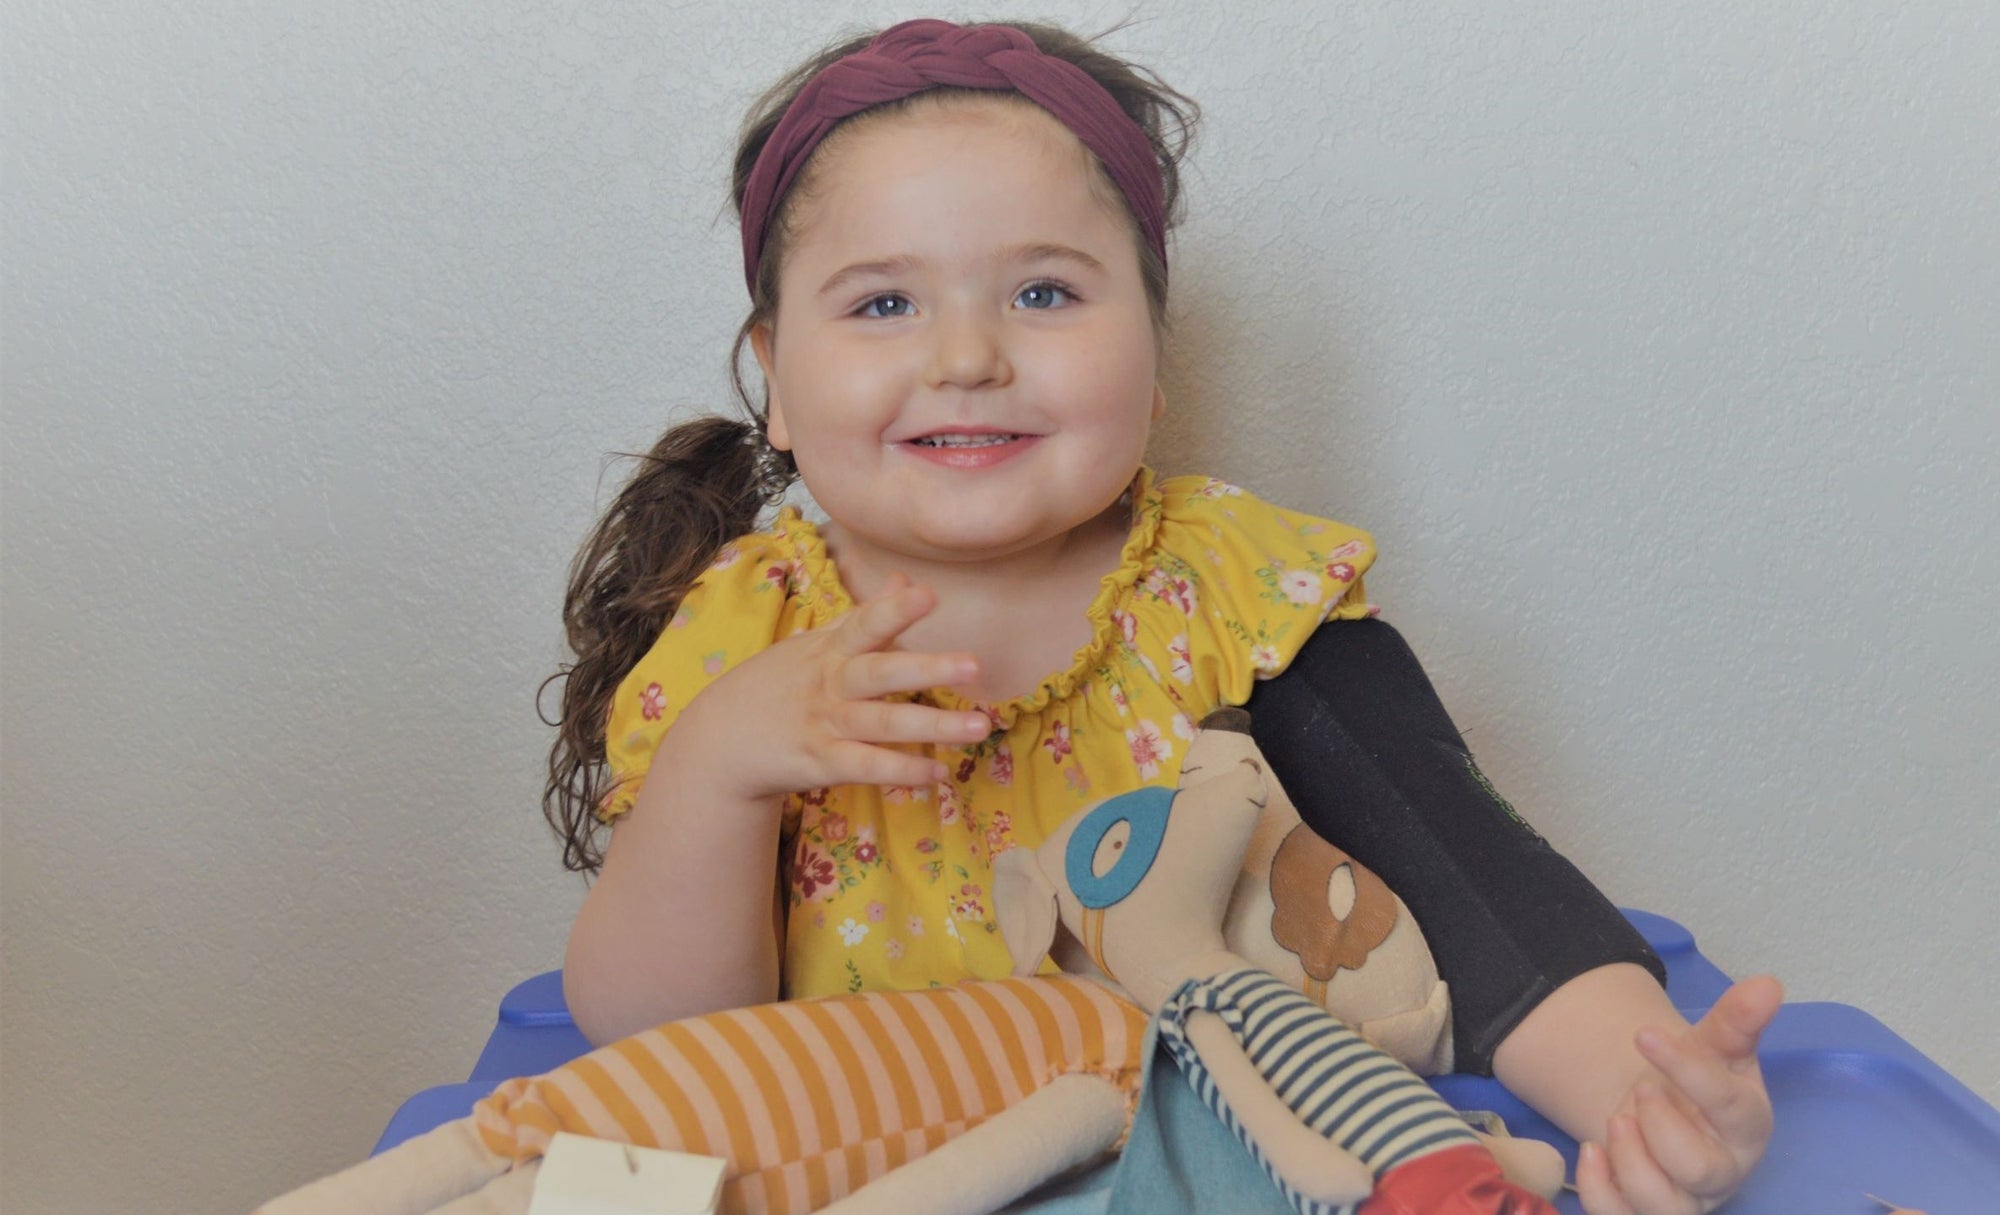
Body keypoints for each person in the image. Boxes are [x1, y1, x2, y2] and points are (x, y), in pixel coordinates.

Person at [542, 18, 1780, 1215]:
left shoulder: (1241, 593)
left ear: (1153, 357)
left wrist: (1649, 1099)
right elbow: (659, 1045)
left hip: (1244, 1165)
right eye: (881, 305)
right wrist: (717, 771)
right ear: (774, 378)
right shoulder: (741, 641)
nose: (966, 357)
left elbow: (1481, 892)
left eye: (1042, 293)